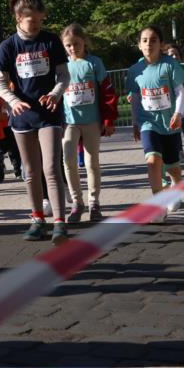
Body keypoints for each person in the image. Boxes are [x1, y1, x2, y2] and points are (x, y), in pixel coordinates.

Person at [0, 0, 71, 244]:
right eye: (31, 21)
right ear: (18, 18)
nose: (37, 25)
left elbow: (63, 75)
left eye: (40, 20)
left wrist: (55, 93)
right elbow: (0, 83)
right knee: (30, 171)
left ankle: (59, 221)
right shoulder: (8, 46)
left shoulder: (50, 41)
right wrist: (13, 101)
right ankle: (37, 218)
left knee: (51, 167)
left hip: (49, 114)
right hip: (22, 118)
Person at [126, 26, 184, 222]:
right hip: (148, 123)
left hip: (169, 123)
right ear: (139, 45)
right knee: (153, 161)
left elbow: (181, 91)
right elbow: (135, 98)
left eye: (153, 40)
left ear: (161, 44)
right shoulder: (135, 70)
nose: (148, 44)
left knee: (173, 169)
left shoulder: (169, 65)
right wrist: (135, 122)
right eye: (144, 40)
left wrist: (178, 113)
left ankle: (176, 186)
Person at [60, 24, 117, 223]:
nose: (72, 48)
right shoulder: (61, 65)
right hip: (69, 122)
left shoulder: (94, 63)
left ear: (84, 41)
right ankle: (77, 202)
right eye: (68, 45)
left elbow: (108, 92)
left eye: (76, 44)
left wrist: (108, 119)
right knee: (68, 161)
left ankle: (95, 203)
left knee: (92, 163)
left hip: (92, 121)